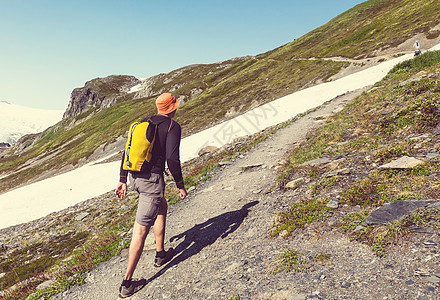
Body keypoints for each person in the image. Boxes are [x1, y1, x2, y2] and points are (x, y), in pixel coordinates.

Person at [115, 92, 187, 298]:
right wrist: (180, 185)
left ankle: (160, 254)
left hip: (135, 179)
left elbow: (126, 151)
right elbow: (173, 159)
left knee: (162, 205)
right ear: (173, 108)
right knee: (140, 231)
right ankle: (127, 283)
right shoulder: (172, 126)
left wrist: (122, 179)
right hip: (152, 182)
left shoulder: (144, 123)